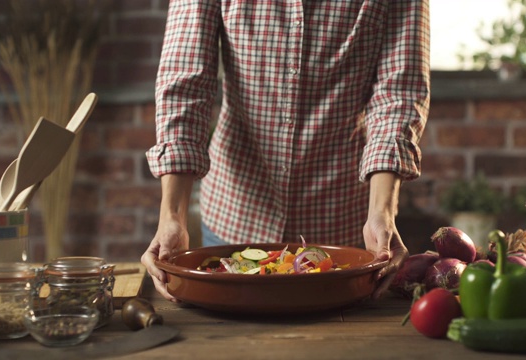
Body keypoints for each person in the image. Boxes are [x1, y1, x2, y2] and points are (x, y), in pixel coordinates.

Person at [142, 0, 430, 302]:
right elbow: (186, 86)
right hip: (236, 212)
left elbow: (399, 95)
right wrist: (172, 217)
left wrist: (381, 213)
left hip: (343, 221)